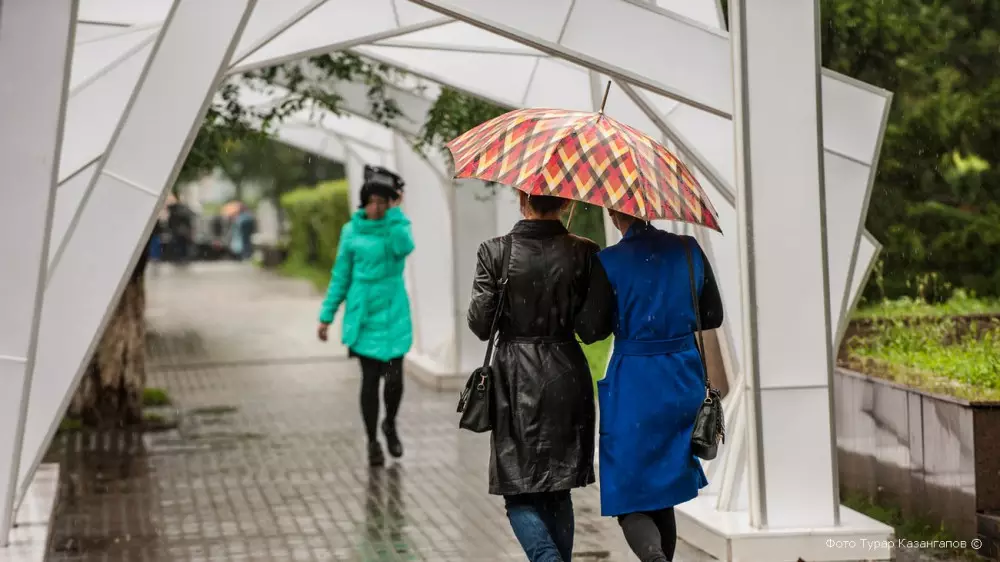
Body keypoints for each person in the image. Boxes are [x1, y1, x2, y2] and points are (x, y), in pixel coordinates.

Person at [576, 210, 724, 562]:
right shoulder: (688, 249)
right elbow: (712, 315)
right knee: (662, 493)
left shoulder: (609, 261)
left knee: (629, 495)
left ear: (614, 213)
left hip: (635, 387)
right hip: (682, 381)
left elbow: (591, 330)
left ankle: (654, 557)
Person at [467, 192, 599, 562]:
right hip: (566, 374)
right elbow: (593, 328)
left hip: (514, 378)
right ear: (566, 203)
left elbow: (480, 324)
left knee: (519, 492)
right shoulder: (585, 252)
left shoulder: (495, 251)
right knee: (558, 490)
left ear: (521, 197)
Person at [316, 179, 414, 467]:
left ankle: (390, 424)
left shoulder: (396, 226)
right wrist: (326, 316)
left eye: (383, 202)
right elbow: (341, 275)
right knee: (370, 382)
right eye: (372, 202)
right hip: (364, 313)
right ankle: (372, 440)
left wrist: (395, 214)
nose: (377, 207)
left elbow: (405, 247)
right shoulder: (351, 231)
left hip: (393, 312)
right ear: (364, 203)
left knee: (394, 380)